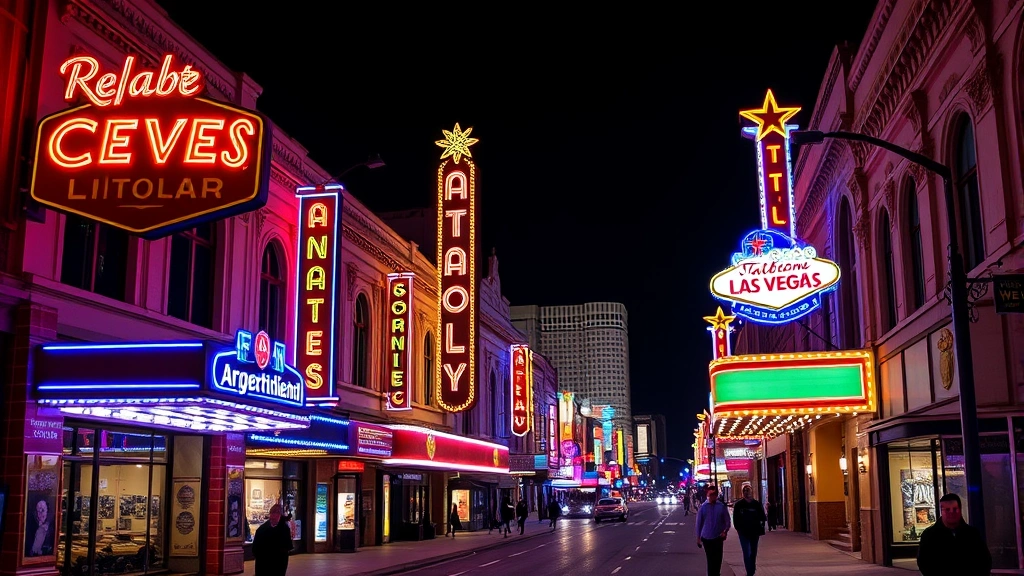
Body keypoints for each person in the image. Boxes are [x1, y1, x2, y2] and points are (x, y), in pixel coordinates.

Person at [917, 493, 991, 576]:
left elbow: (984, 560)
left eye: (955, 509)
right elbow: (924, 563)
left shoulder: (972, 534)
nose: (951, 512)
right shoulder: (929, 535)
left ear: (960, 510)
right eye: (947, 509)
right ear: (941, 511)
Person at [695, 484, 731, 576]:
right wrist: (698, 538)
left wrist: (725, 531)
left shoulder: (721, 506)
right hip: (706, 537)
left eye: (714, 494)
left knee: (718, 558)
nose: (712, 496)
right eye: (710, 495)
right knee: (710, 558)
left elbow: (727, 521)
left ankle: (716, 573)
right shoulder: (703, 507)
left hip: (718, 537)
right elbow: (699, 523)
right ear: (707, 495)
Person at [733, 483, 767, 576]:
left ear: (752, 492)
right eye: (745, 491)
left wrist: (761, 526)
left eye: (748, 490)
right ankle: (749, 571)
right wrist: (738, 529)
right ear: (742, 493)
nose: (746, 492)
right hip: (743, 533)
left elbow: (762, 517)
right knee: (746, 552)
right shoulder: (739, 505)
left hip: (754, 532)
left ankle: (752, 567)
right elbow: (735, 519)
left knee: (753, 551)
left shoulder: (756, 504)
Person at [252, 504, 293, 576]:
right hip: (264, 563)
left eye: (276, 514)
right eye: (273, 514)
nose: (274, 517)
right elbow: (255, 548)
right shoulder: (262, 529)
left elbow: (287, 546)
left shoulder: (284, 528)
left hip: (278, 563)